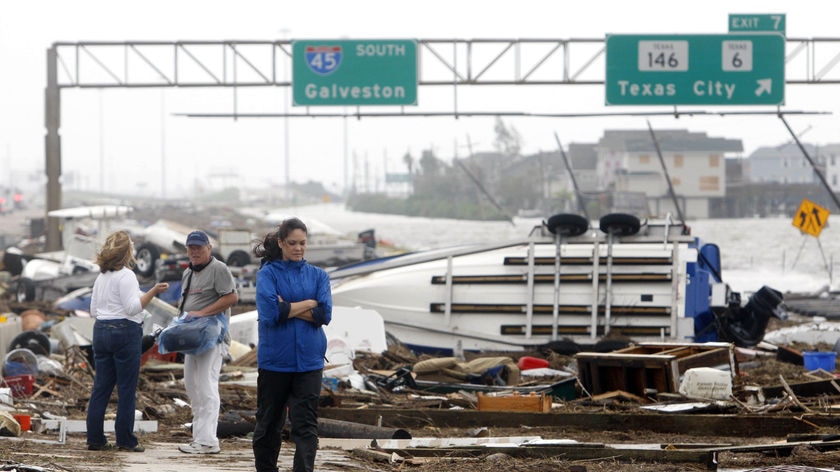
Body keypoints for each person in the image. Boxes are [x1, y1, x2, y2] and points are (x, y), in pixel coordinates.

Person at [252, 217, 333, 472]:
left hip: (309, 362)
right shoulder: (267, 274)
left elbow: (325, 315)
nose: (298, 248)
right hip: (275, 362)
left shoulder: (319, 276)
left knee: (306, 426)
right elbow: (269, 314)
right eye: (292, 243)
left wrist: (287, 307)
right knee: (268, 425)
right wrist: (309, 303)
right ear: (281, 243)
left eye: (302, 243)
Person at [86, 230, 170, 452]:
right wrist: (152, 291)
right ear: (127, 252)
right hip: (125, 332)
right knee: (126, 389)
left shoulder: (101, 277)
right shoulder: (127, 276)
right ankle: (125, 439)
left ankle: (95, 438)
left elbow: (93, 309)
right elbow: (133, 307)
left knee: (101, 388)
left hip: (101, 330)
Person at [177, 230, 238, 455]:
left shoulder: (219, 269)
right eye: (191, 248)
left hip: (213, 338)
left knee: (207, 385)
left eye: (199, 247)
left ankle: (209, 440)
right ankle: (198, 438)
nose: (194, 251)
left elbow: (232, 297)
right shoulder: (188, 274)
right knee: (191, 385)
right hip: (192, 340)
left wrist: (202, 313)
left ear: (208, 248)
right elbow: (185, 306)